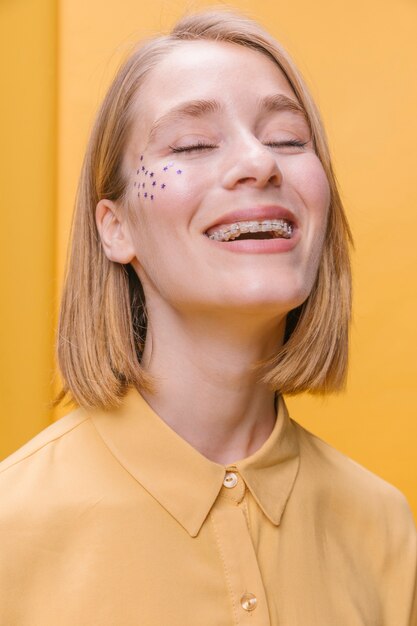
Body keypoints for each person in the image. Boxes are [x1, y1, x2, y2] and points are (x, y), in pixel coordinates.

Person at [0, 9, 415, 625]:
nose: (260, 163)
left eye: (287, 139)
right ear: (115, 229)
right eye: (193, 144)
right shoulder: (12, 527)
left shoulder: (384, 524)